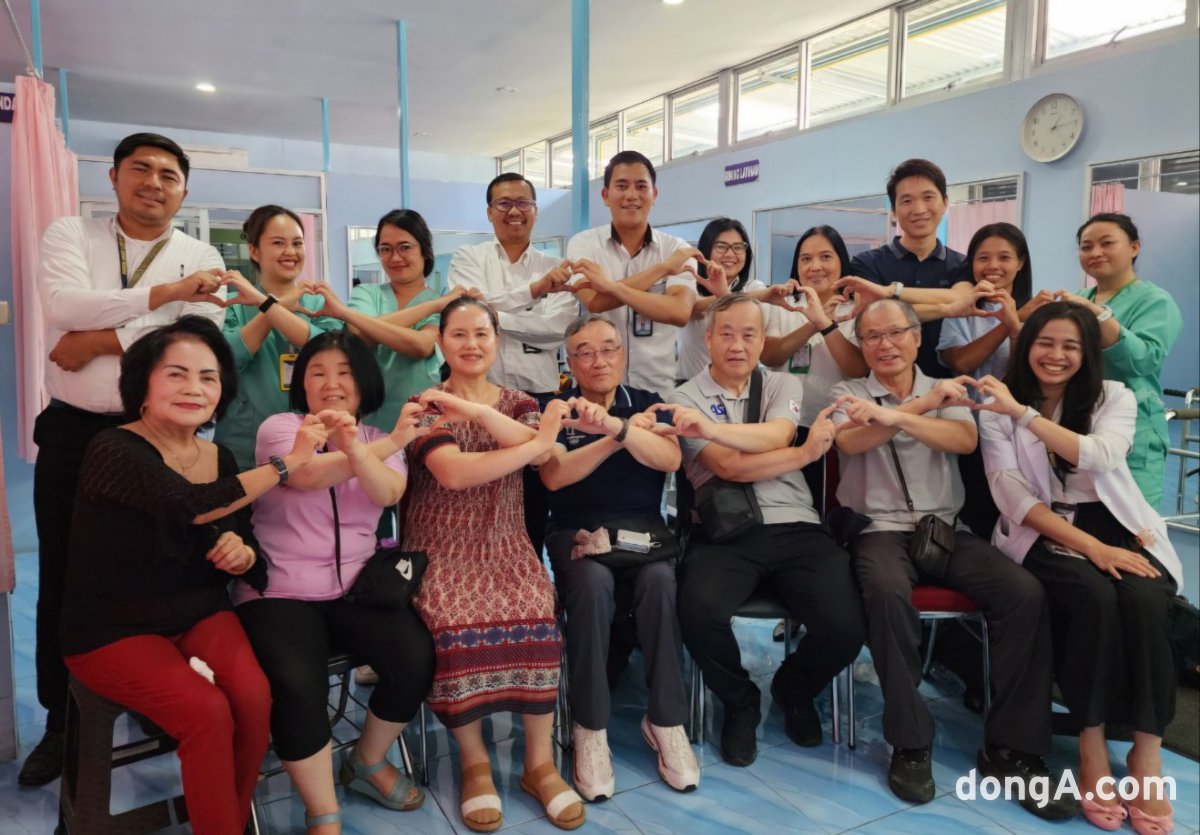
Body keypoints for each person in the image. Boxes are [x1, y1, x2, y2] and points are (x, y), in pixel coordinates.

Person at [60, 316, 325, 833]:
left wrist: (241, 552)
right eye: (176, 374)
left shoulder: (218, 455)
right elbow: (190, 506)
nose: (194, 388)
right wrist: (286, 466)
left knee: (252, 698)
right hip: (112, 627)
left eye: (208, 377)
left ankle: (225, 818)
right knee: (205, 712)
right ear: (143, 385)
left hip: (196, 609)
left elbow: (235, 529)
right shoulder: (113, 448)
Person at [24, 132, 228, 787]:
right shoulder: (70, 234)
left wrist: (101, 337)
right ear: (112, 176)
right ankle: (62, 723)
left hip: (162, 438)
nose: (154, 182)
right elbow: (61, 306)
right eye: (140, 169)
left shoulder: (198, 252)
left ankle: (156, 701)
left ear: (185, 190)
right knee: (64, 572)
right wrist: (165, 298)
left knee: (164, 569)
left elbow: (203, 333)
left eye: (169, 174)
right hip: (76, 432)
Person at [831, 299, 1072, 820]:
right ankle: (910, 742)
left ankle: (1013, 749)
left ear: (917, 338)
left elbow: (961, 439)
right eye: (871, 337)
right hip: (878, 530)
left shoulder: (951, 386)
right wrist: (915, 409)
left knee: (1023, 593)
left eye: (895, 332)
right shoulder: (847, 392)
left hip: (947, 529)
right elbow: (853, 442)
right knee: (887, 593)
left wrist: (896, 413)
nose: (884, 344)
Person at [978, 301, 1183, 834]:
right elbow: (1011, 496)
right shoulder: (996, 401)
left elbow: (1100, 456)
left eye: (1072, 345)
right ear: (1027, 345)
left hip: (1116, 522)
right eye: (1046, 342)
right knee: (1092, 598)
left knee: (1146, 599)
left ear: (1088, 353)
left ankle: (1147, 753)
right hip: (1046, 528)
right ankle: (1091, 748)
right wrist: (1090, 550)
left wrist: (1025, 415)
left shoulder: (1113, 396)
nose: (1057, 355)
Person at [234, 331, 436, 834]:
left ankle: (367, 762)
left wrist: (367, 446)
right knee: (298, 687)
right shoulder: (281, 430)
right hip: (280, 592)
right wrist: (385, 443)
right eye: (317, 372)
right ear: (300, 384)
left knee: (414, 659)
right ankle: (323, 812)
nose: (331, 383)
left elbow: (388, 492)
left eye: (344, 372)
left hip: (358, 589)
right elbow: (302, 476)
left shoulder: (375, 439)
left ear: (363, 382)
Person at [402, 297, 584, 832]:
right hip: (442, 549)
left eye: (481, 333)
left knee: (538, 617)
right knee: (454, 629)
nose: (471, 344)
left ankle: (538, 764)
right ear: (440, 342)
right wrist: (535, 441)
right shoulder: (424, 404)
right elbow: (455, 473)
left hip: (507, 543)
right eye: (458, 334)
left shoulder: (518, 400)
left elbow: (548, 458)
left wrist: (485, 415)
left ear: (496, 340)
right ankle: (475, 762)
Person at [666, 294, 866, 767]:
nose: (737, 345)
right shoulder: (682, 397)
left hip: (795, 524)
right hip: (724, 532)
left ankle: (793, 688)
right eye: (727, 334)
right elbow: (729, 467)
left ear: (763, 340)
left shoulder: (780, 384)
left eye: (749, 334)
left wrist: (716, 431)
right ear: (709, 338)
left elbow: (776, 433)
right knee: (697, 611)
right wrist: (801, 456)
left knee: (845, 626)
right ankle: (740, 702)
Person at [539, 314, 698, 800]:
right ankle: (590, 727)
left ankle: (666, 721)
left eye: (608, 348)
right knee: (591, 586)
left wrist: (617, 423)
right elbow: (554, 477)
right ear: (569, 362)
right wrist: (617, 435)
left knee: (660, 584)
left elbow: (669, 460)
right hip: (577, 534)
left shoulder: (649, 403)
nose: (598, 360)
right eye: (585, 352)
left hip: (643, 535)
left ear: (623, 353)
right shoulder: (554, 408)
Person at [448, 172, 578, 558]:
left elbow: (557, 330)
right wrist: (534, 293)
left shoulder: (558, 267)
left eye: (523, 203)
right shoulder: (468, 258)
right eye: (504, 203)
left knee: (531, 507)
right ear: (489, 212)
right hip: (477, 397)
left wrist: (492, 314)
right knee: (474, 502)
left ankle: (529, 587)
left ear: (536, 211)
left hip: (534, 400)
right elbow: (466, 312)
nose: (514, 211)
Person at [1062, 213, 1182, 507]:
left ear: (1134, 247)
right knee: (1081, 523)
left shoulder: (1155, 300)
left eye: (1107, 243)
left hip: (1133, 430)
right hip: (1079, 425)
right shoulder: (1078, 297)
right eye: (1086, 246)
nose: (1095, 253)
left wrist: (1100, 316)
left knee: (1134, 528)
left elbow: (1144, 361)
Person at [305, 209, 460, 432]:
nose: (395, 257)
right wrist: (432, 307)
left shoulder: (443, 303)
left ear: (425, 250)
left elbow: (421, 345)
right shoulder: (367, 293)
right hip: (367, 420)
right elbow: (358, 335)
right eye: (385, 249)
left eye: (405, 247)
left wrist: (356, 319)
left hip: (422, 419)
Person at [215, 204, 340, 470]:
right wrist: (276, 306)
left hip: (315, 443)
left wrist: (269, 304)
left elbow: (332, 353)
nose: (290, 252)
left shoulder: (320, 304)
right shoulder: (233, 305)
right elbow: (227, 360)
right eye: (278, 243)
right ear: (254, 250)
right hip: (245, 445)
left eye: (297, 243)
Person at [566, 150, 698, 395]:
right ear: (606, 195)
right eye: (622, 186)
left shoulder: (676, 249)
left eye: (641, 186)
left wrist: (612, 286)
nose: (631, 195)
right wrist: (662, 269)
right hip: (595, 392)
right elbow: (594, 302)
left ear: (654, 194)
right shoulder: (583, 245)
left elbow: (679, 312)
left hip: (657, 391)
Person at [849, 158, 966, 378]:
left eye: (928, 197)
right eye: (907, 201)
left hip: (947, 390)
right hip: (880, 392)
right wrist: (946, 308)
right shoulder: (866, 263)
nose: (919, 209)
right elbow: (873, 319)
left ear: (945, 202)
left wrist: (892, 293)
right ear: (893, 210)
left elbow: (963, 298)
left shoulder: (962, 265)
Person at [761, 225, 866, 431]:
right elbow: (769, 356)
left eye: (825, 257)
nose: (815, 266)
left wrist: (826, 325)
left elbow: (859, 369)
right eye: (806, 259)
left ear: (841, 262)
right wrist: (814, 324)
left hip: (840, 420)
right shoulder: (783, 303)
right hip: (783, 421)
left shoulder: (856, 309)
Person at [676, 217, 798, 383]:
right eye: (721, 246)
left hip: (740, 390)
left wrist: (757, 294)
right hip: (691, 386)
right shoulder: (690, 285)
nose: (730, 254)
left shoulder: (754, 288)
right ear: (706, 249)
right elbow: (692, 308)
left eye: (738, 247)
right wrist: (761, 296)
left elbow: (743, 320)